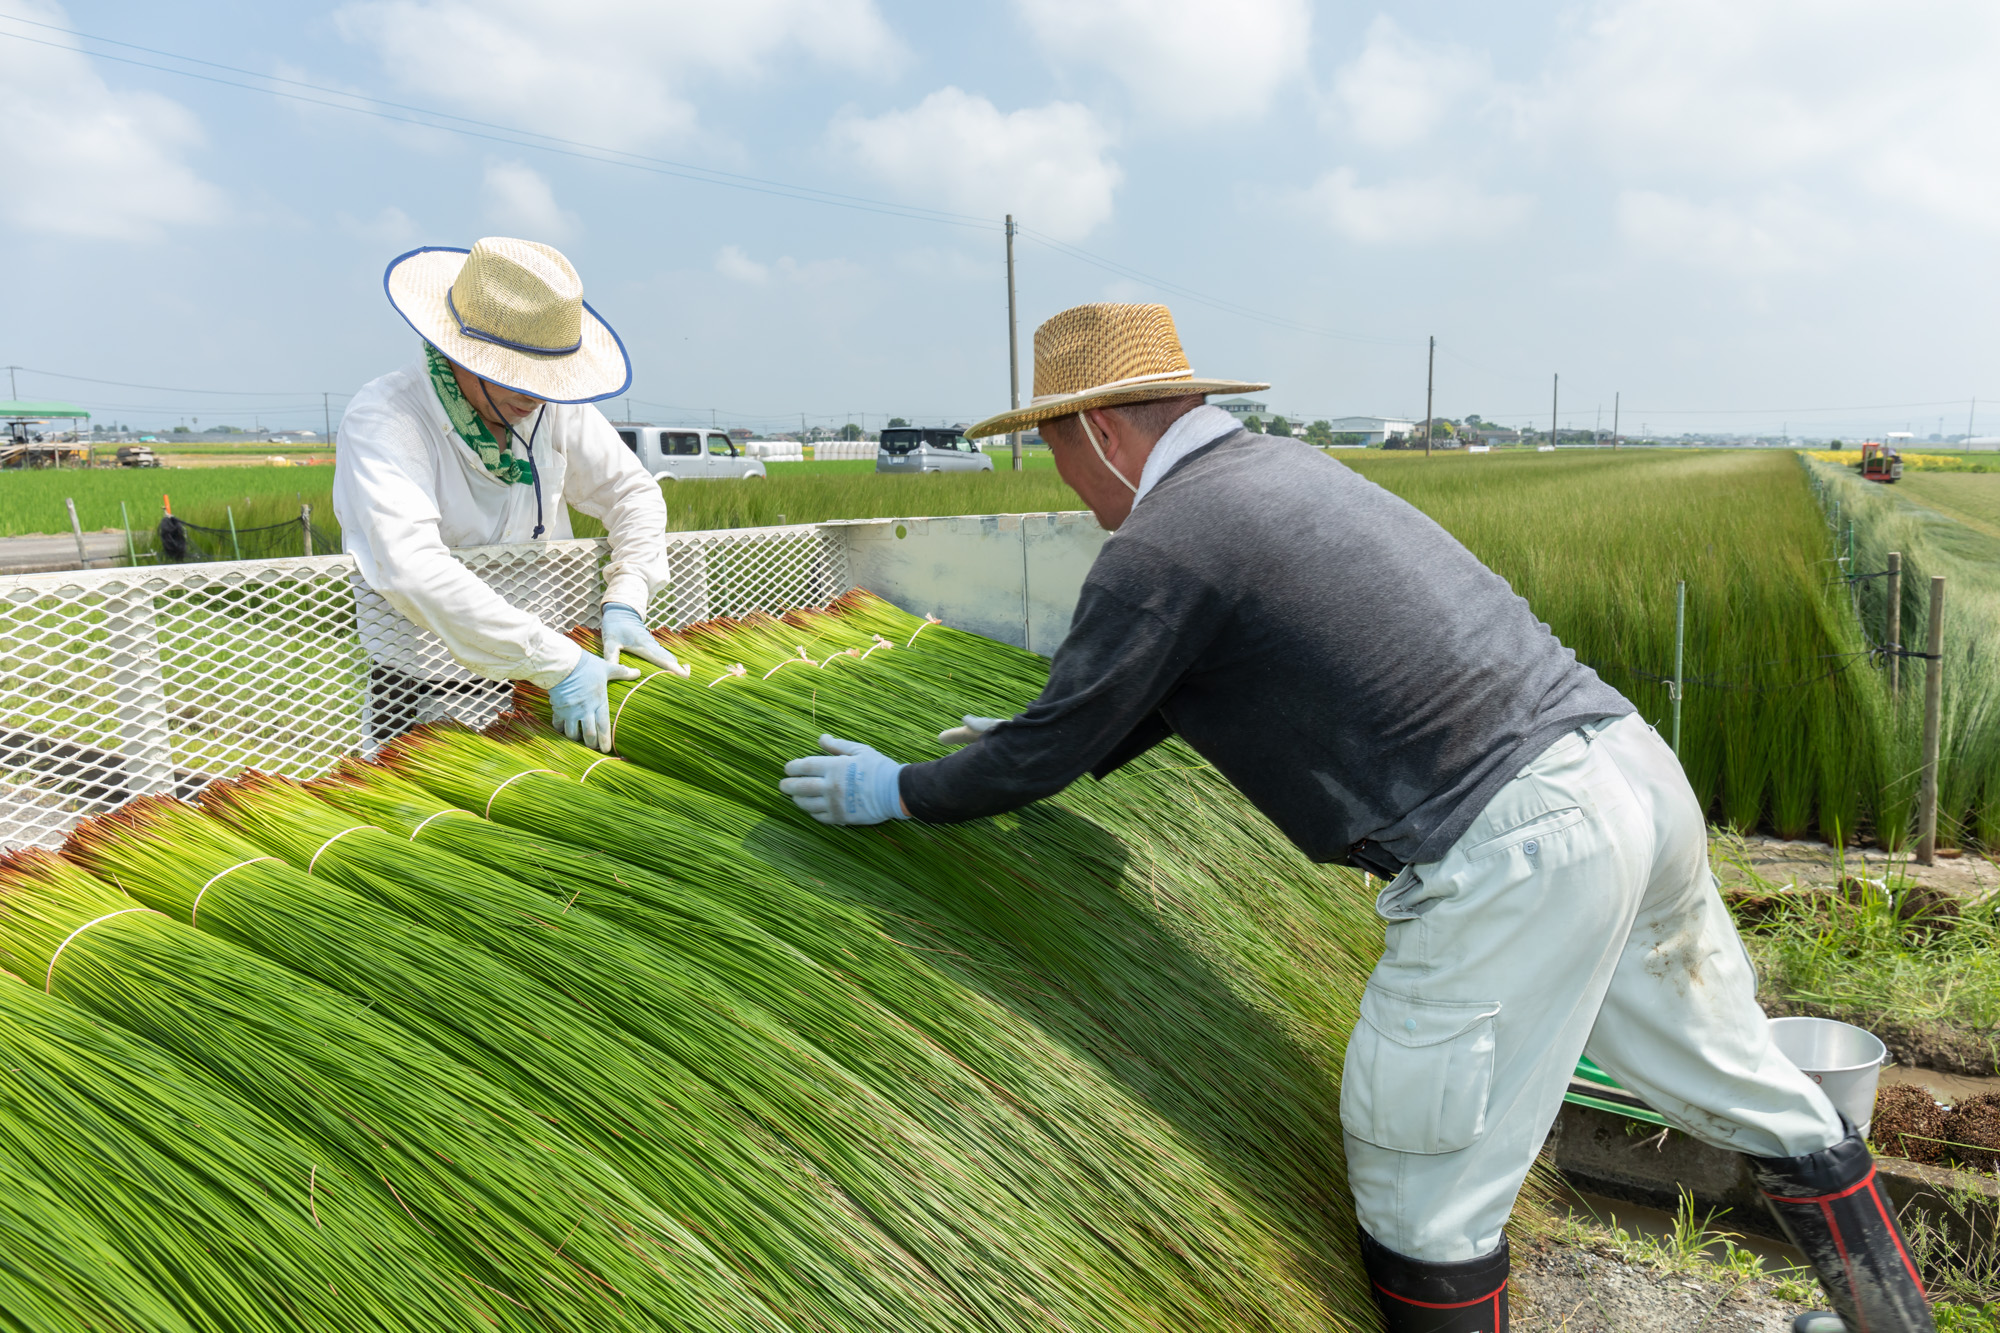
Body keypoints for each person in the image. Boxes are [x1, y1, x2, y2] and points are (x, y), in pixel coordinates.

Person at [779, 303, 1932, 1333]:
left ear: (1103, 433)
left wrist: (899, 791)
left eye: (1051, 452)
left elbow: (1052, 749)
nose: (1063, 485)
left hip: (1519, 847)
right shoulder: (1286, 476)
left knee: (1422, 1197)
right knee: (1735, 1073)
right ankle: (1892, 1322)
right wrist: (1034, 735)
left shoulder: (1166, 540)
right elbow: (1182, 687)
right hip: (1627, 775)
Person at [334, 237, 684, 754]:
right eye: (515, 374)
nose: (534, 394)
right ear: (460, 350)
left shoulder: (551, 408)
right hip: (428, 686)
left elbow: (631, 492)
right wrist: (557, 663)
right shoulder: (388, 420)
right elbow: (411, 567)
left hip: (553, 675)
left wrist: (628, 596)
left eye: (547, 378)